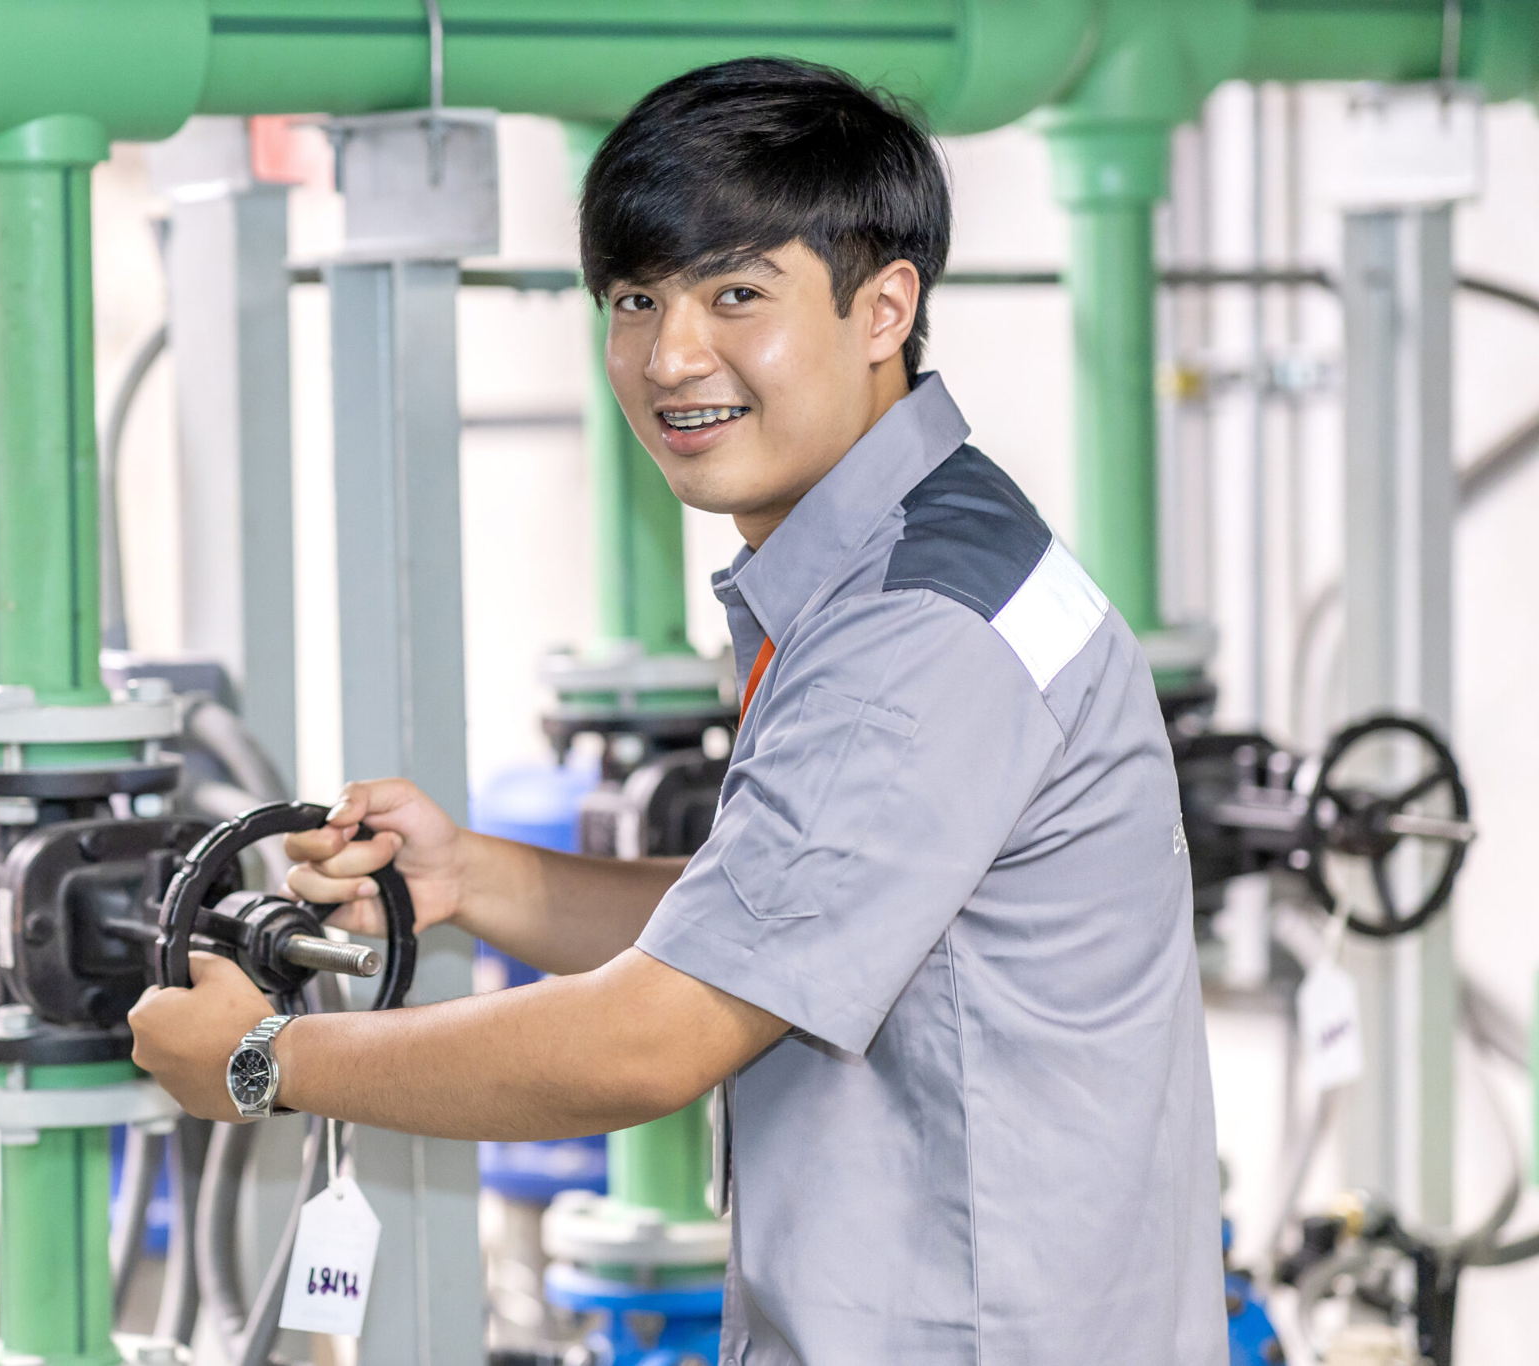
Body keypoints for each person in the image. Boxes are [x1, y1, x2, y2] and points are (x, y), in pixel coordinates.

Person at [130, 56, 1225, 1364]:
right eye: (636, 298)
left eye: (737, 294)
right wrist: (474, 875)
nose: (670, 354)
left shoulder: (914, 630)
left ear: (884, 308)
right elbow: (772, 925)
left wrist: (265, 1059)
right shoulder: (929, 552)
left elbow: (659, 1034)